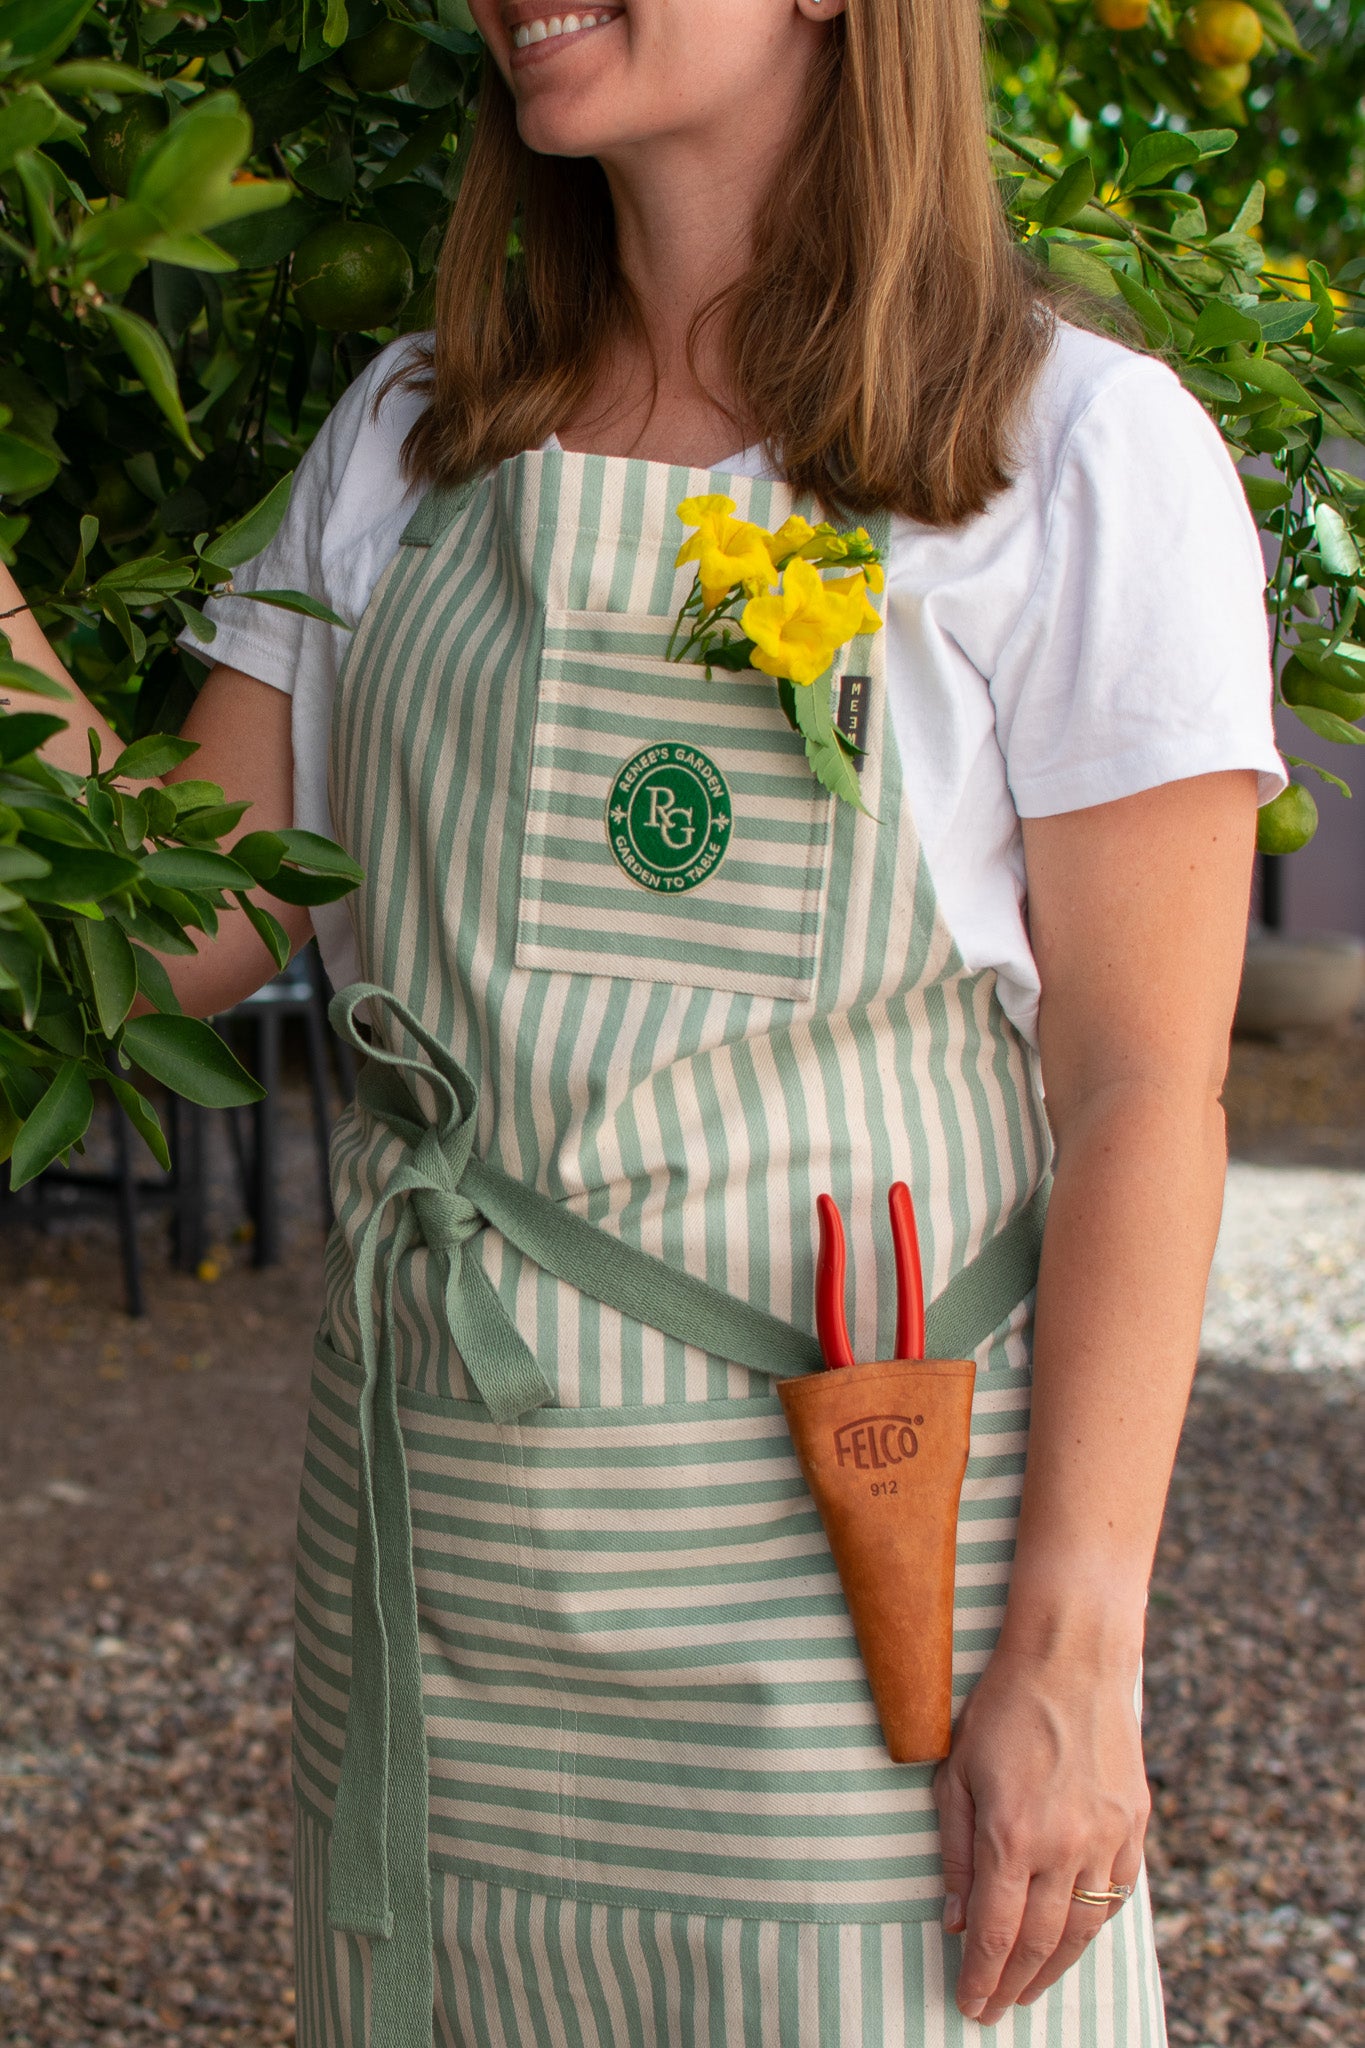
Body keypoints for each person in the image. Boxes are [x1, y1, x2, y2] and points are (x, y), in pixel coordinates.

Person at [5, 0, 1284, 2038]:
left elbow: (1141, 1094)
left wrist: (1072, 1652)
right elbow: (173, 930)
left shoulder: (1069, 453)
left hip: (852, 1652)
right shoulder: (409, 438)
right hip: (439, 1610)